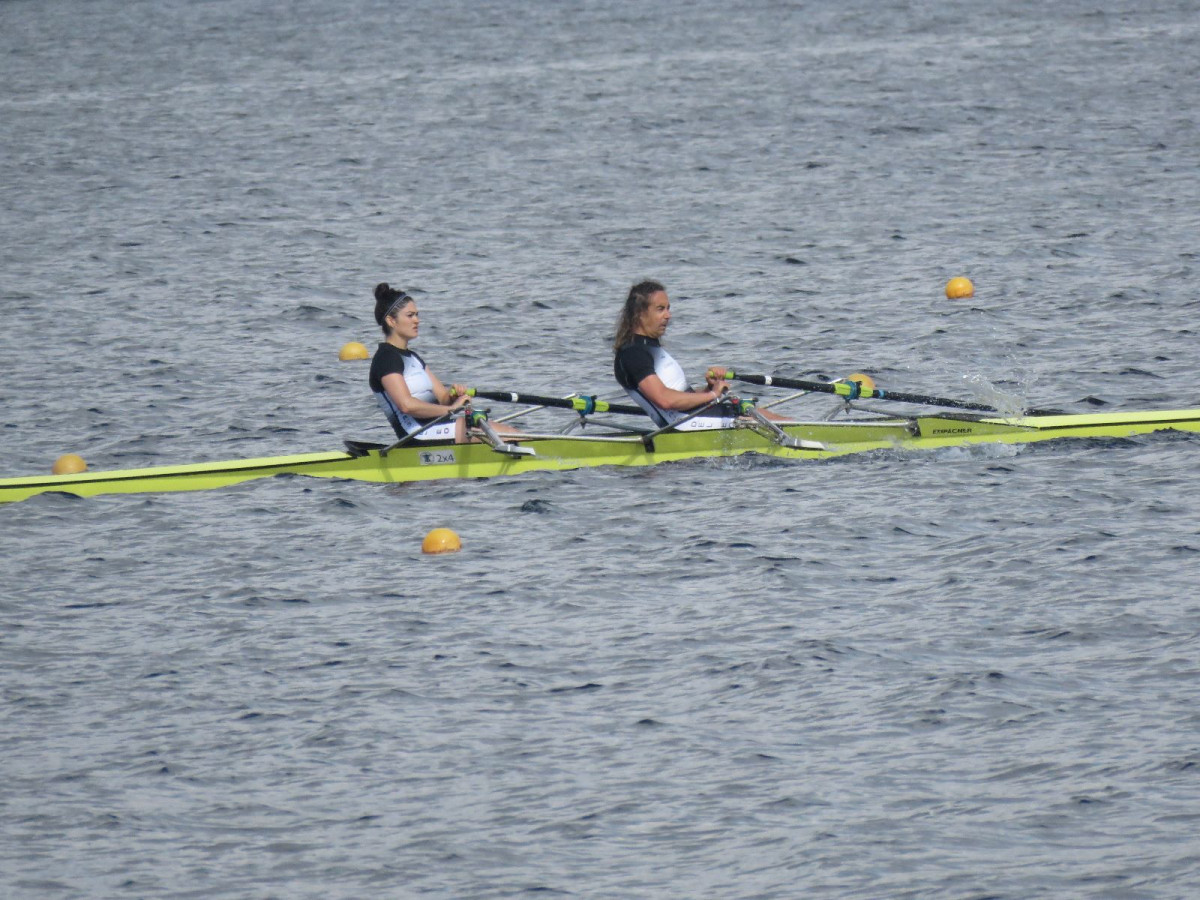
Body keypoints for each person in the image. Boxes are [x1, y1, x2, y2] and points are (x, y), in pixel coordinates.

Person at [612, 280, 788, 430]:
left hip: (693, 416)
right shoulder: (633, 353)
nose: (668, 315)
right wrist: (713, 396)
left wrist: (709, 388)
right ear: (640, 314)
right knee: (782, 423)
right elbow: (664, 400)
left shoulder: (647, 347)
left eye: (668, 308)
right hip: (685, 424)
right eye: (660, 309)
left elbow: (680, 395)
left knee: (771, 417)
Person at [369, 283, 518, 443]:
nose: (417, 320)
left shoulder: (413, 357)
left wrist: (453, 395)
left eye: (417, 315)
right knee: (512, 437)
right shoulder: (386, 359)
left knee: (513, 434)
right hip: (417, 434)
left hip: (438, 427)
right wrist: (451, 409)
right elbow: (407, 405)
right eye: (410, 315)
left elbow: (442, 397)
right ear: (391, 321)